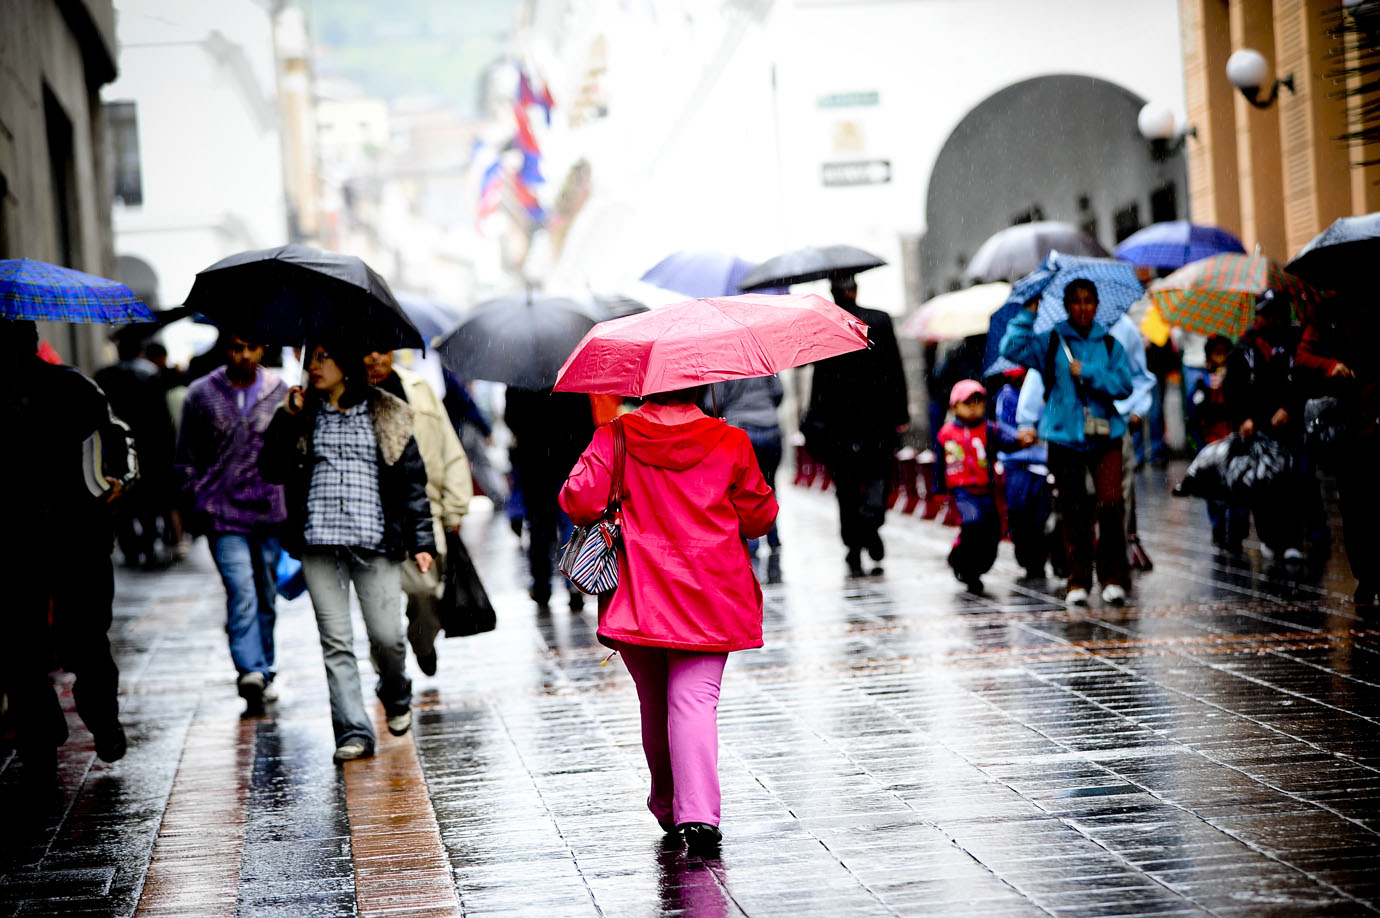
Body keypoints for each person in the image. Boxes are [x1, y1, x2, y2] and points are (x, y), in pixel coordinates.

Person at [560, 386, 777, 856]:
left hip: (641, 595)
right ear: (702, 383)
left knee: (655, 703)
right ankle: (697, 811)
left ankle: (667, 802)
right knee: (694, 701)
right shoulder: (731, 440)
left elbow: (577, 501)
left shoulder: (615, 437)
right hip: (711, 592)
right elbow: (759, 518)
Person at [260, 336, 435, 763]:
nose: (315, 366)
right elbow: (271, 469)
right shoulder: (300, 413)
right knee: (335, 641)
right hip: (319, 542)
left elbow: (412, 483)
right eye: (311, 357)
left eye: (324, 356)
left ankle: (395, 692)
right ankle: (353, 731)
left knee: (388, 638)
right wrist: (286, 419)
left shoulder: (386, 409)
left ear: (345, 362)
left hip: (376, 541)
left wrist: (422, 541)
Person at [1, 319, 136, 779]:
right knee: (26, 643)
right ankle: (49, 733)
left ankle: (97, 720)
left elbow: (115, 438)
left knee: (77, 638)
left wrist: (116, 483)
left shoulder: (72, 387)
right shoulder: (73, 384)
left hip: (76, 533)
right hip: (24, 538)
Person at [1000, 280, 1134, 606]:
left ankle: (1112, 576)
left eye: (1089, 301)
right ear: (1066, 305)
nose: (1084, 308)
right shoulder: (1050, 342)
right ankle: (1078, 579)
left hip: (1105, 435)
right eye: (1076, 302)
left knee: (1111, 505)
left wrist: (1088, 373)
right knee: (1074, 510)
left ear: (1098, 304)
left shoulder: (1109, 344)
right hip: (1063, 436)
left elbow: (1124, 385)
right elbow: (1012, 348)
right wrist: (1028, 312)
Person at [175, 332, 288, 715]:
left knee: (266, 590)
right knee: (241, 590)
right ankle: (250, 670)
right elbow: (186, 454)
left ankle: (266, 665)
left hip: (269, 508)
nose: (244, 354)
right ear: (226, 349)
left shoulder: (281, 391)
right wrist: (197, 498)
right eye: (237, 347)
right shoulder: (201, 393)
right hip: (223, 513)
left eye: (251, 346)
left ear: (262, 347)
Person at [364, 350, 473, 676]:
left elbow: (448, 447)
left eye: (380, 349)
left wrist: (455, 506)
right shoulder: (348, 396)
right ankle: (388, 670)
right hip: (369, 517)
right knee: (378, 604)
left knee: (425, 593)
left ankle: (423, 641)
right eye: (365, 351)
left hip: (423, 511)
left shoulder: (418, 387)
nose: (373, 358)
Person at [801, 276, 909, 577]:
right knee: (878, 476)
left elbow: (819, 382)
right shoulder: (880, 320)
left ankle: (853, 543)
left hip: (838, 424)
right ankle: (871, 519)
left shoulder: (824, 325)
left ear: (833, 293)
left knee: (845, 486)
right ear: (855, 289)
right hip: (878, 418)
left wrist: (816, 418)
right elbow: (895, 369)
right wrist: (900, 412)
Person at [1296, 290, 1379, 606]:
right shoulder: (1327, 314)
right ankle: (1367, 576)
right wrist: (1330, 365)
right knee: (1356, 504)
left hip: (1372, 420)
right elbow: (1302, 356)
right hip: (1351, 427)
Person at [1221, 289, 1313, 566]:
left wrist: (1291, 409)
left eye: (1275, 315)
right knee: (1263, 485)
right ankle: (1270, 537)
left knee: (1293, 482)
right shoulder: (1244, 349)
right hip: (1258, 429)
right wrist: (1242, 420)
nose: (1269, 321)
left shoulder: (1296, 342)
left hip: (1290, 427)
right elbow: (1233, 389)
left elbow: (1304, 381)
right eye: (1264, 315)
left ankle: (1294, 540)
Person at [505, 387, 596, 612]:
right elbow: (586, 422)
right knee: (570, 524)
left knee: (539, 528)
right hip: (568, 462)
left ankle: (542, 585)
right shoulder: (571, 379)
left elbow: (511, 419)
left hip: (534, 466)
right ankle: (574, 582)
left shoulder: (520, 380)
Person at [96, 330, 178, 568]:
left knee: (123, 500)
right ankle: (149, 542)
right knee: (148, 498)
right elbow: (163, 419)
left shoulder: (104, 375)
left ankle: (131, 546)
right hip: (149, 445)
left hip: (115, 447)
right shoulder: (149, 373)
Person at [938, 380, 1018, 594]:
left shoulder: (989, 429)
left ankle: (979, 566)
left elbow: (1008, 441)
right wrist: (939, 490)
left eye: (978, 402)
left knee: (991, 531)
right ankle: (962, 562)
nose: (974, 407)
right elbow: (940, 463)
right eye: (967, 402)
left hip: (987, 488)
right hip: (962, 491)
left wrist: (1021, 439)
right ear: (955, 406)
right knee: (973, 523)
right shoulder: (946, 434)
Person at [699, 376, 784, 561]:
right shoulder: (763, 361)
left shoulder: (723, 367)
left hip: (740, 428)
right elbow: (778, 393)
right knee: (769, 485)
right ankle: (773, 538)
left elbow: (714, 401)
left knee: (741, 487)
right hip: (770, 428)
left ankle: (751, 543)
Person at [1186, 335, 1246, 550]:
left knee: (1238, 491)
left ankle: (1237, 533)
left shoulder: (1238, 382)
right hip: (1211, 447)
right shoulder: (1202, 384)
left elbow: (1239, 408)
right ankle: (1218, 528)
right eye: (1216, 354)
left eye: (1224, 354)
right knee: (1214, 494)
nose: (1220, 359)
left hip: (1234, 445)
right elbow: (1195, 415)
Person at [995, 368, 1053, 580]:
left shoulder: (1046, 389)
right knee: (1019, 512)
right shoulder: (1008, 394)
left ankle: (1038, 559)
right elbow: (1003, 427)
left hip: (1042, 461)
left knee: (1041, 515)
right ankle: (1026, 556)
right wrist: (1018, 438)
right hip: (1016, 462)